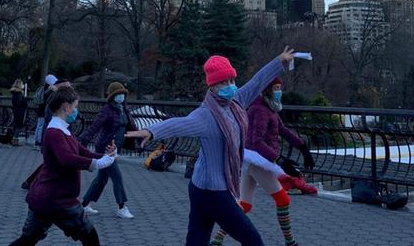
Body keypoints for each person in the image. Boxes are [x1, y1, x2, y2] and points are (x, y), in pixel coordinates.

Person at [126, 47, 294, 246]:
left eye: (232, 80)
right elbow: (179, 124)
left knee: (197, 241)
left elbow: (257, 82)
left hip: (201, 187)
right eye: (224, 82)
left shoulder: (236, 101)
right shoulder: (205, 115)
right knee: (253, 240)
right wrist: (151, 131)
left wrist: (279, 61)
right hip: (213, 191)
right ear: (212, 86)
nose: (230, 85)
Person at [211, 77, 316, 246]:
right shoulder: (259, 109)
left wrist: (303, 147)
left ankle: (216, 241)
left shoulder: (269, 108)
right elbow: (256, 142)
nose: (279, 91)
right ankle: (290, 242)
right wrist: (279, 159)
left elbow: (282, 130)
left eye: (280, 87)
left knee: (244, 205)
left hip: (254, 160)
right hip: (258, 161)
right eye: (275, 88)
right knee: (283, 200)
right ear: (266, 90)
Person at [10, 87, 117, 245]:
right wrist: (97, 163)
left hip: (45, 198)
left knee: (28, 240)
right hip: (57, 199)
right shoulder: (55, 132)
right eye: (75, 107)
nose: (76, 111)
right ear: (66, 107)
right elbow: (67, 159)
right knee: (90, 237)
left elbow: (81, 151)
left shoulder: (62, 130)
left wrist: (105, 156)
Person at [79, 82, 136, 219]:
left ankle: (85, 205)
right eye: (118, 94)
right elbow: (95, 127)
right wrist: (82, 143)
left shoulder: (123, 109)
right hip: (106, 148)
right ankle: (121, 207)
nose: (121, 96)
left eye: (123, 94)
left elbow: (131, 128)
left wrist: (140, 142)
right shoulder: (107, 110)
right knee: (117, 176)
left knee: (102, 177)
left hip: (115, 148)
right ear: (112, 96)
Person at [34, 74, 58, 151]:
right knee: (42, 127)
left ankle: (37, 142)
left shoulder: (43, 88)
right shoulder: (49, 90)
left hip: (40, 109)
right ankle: (39, 143)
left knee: (39, 126)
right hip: (44, 110)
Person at [11, 79, 29, 143]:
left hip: (16, 110)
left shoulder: (15, 93)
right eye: (22, 84)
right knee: (19, 125)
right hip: (20, 111)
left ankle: (13, 138)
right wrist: (25, 100)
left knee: (16, 124)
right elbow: (20, 102)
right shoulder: (19, 93)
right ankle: (15, 139)